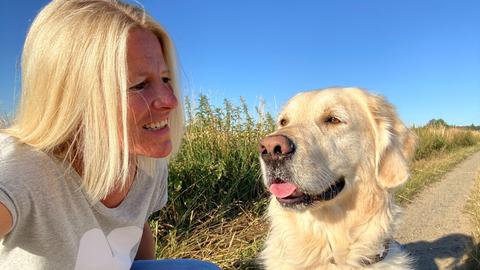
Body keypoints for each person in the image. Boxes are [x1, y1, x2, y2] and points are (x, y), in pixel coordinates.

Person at [0, 1, 220, 269]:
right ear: (74, 99)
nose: (170, 100)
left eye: (165, 79)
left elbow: (135, 226)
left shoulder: (148, 166)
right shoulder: (22, 170)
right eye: (139, 85)